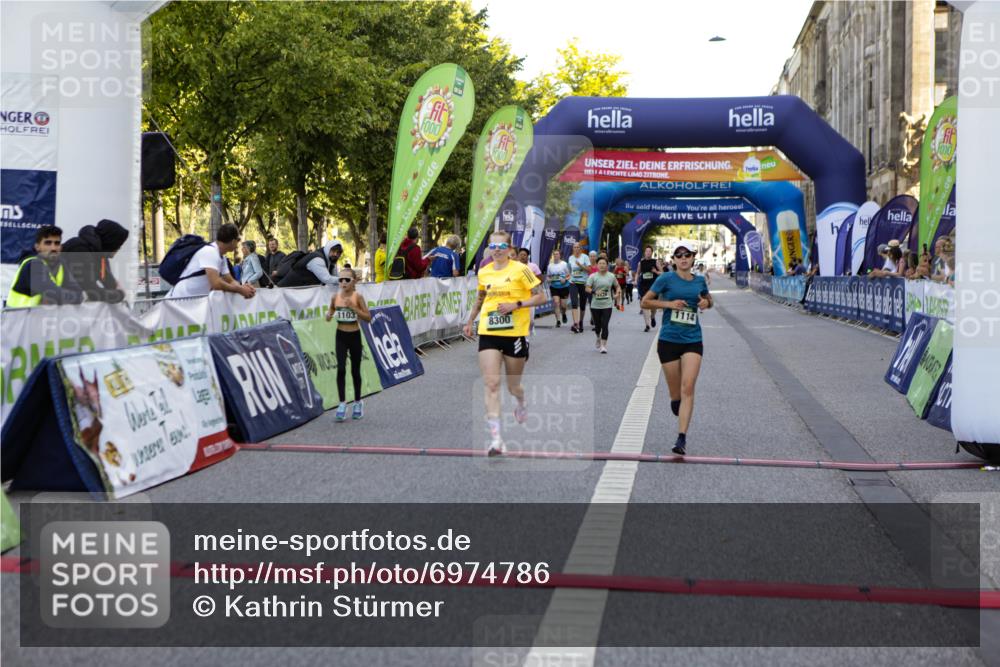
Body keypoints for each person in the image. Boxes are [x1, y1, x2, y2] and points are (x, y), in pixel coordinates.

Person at [463, 231, 546, 456]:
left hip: (515, 333)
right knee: (491, 384)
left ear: (510, 249)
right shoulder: (484, 271)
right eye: (493, 245)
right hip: (488, 331)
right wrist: (470, 320)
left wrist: (517, 304)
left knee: (513, 385)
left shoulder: (522, 270)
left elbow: (541, 297)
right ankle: (497, 439)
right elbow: (481, 298)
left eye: (501, 245)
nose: (497, 249)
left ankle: (520, 401)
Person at [641, 244, 712, 456]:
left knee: (688, 387)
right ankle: (676, 402)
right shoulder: (665, 279)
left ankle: (681, 438)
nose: (683, 258)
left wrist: (705, 303)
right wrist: (670, 305)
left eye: (687, 255)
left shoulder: (699, 280)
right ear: (673, 259)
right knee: (676, 395)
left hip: (693, 339)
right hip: (669, 340)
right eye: (679, 255)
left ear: (692, 259)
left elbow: (709, 300)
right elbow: (645, 302)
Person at [325, 267, 372, 422]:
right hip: (340, 335)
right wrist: (329, 315)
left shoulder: (358, 297)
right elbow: (330, 311)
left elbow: (368, 317)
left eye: (347, 279)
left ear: (354, 281)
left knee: (355, 370)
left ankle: (358, 402)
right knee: (340, 369)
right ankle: (342, 404)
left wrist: (353, 308)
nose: (343, 282)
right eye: (340, 279)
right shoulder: (335, 297)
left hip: (354, 335)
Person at [166, 223, 254, 299]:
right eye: (238, 241)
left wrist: (244, 288)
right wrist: (240, 290)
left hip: (193, 302)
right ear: (233, 241)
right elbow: (216, 283)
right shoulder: (210, 252)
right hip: (180, 300)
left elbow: (230, 280)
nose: (238, 246)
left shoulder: (221, 257)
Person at [6, 225, 84, 308]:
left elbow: (79, 295)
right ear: (37, 247)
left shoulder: (61, 265)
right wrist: (64, 296)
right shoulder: (32, 264)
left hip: (39, 318)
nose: (53, 248)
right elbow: (51, 292)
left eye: (57, 243)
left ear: (61, 247)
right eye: (48, 243)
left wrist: (59, 296)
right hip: (17, 318)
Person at [61, 218, 129, 303]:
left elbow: (110, 283)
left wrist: (116, 290)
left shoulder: (100, 256)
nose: (119, 248)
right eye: (119, 244)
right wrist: (120, 295)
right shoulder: (79, 249)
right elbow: (92, 292)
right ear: (111, 242)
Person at [586, 257, 622, 354]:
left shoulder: (611, 276)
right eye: (600, 263)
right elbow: (587, 288)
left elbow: (617, 286)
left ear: (607, 265)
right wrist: (594, 291)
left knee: (605, 325)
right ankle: (598, 337)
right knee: (598, 326)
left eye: (604, 263)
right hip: (595, 305)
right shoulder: (593, 276)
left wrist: (617, 292)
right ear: (597, 265)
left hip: (607, 304)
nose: (602, 265)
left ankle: (603, 346)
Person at [277, 239, 344, 287]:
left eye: (338, 252)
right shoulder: (318, 260)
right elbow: (326, 279)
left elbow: (335, 277)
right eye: (333, 251)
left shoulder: (330, 261)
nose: (335, 254)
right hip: (287, 291)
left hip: (298, 293)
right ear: (328, 249)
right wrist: (345, 280)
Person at [567, 242, 591, 333]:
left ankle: (580, 321)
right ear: (573, 249)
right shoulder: (570, 258)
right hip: (573, 282)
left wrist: (581, 265)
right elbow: (570, 270)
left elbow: (589, 270)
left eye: (578, 247)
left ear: (581, 248)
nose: (576, 249)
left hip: (583, 283)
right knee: (574, 302)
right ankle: (576, 323)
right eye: (574, 247)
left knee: (582, 304)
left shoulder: (585, 257)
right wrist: (568, 276)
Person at [636, 246, 661, 332]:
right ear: (644, 252)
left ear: (652, 253)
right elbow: (637, 273)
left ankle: (653, 317)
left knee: (653, 306)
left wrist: (656, 272)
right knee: (644, 304)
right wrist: (635, 280)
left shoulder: (656, 262)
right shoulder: (641, 263)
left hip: (654, 286)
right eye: (646, 251)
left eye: (650, 251)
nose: (648, 253)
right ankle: (647, 325)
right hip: (643, 286)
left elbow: (663, 274)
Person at [546, 248, 571, 328]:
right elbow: (548, 276)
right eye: (554, 254)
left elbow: (569, 275)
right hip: (554, 287)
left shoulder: (564, 264)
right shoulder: (550, 265)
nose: (555, 255)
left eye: (557, 254)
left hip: (564, 287)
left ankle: (563, 314)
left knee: (563, 306)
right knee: (556, 303)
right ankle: (558, 321)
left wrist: (565, 279)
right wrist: (549, 279)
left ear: (560, 255)